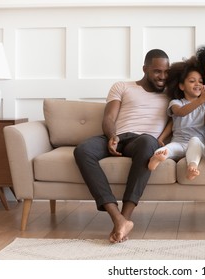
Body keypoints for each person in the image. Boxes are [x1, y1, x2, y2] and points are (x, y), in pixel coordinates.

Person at [73, 49, 170, 243]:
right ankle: (117, 218)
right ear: (145, 69)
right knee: (82, 150)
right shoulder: (122, 87)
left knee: (147, 142)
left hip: (143, 141)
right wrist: (112, 136)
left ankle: (124, 219)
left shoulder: (171, 93)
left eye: (166, 72)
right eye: (157, 71)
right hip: (118, 136)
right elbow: (109, 117)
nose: (163, 77)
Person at [148, 57, 205, 180]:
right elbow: (180, 114)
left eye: (200, 81)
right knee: (168, 149)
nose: (197, 84)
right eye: (192, 81)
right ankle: (157, 158)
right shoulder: (176, 103)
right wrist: (161, 138)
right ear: (182, 86)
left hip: (197, 143)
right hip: (178, 142)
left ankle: (192, 167)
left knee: (194, 141)